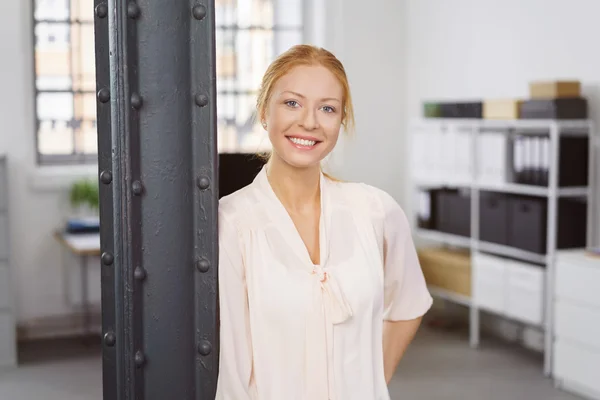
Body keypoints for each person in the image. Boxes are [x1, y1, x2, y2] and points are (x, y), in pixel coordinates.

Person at [215, 44, 432, 400]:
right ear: (264, 111)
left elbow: (409, 305)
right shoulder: (233, 223)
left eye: (327, 108)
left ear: (341, 120)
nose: (310, 121)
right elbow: (235, 368)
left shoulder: (376, 211)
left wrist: (373, 382)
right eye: (292, 103)